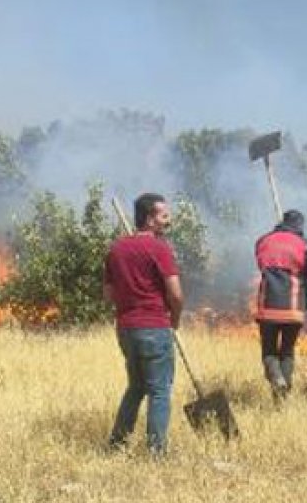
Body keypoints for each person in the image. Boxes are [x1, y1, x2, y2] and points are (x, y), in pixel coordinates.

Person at [103, 192, 184, 456]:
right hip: (154, 327)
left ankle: (116, 444)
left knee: (136, 387)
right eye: (164, 216)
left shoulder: (116, 249)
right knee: (159, 391)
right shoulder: (160, 248)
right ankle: (156, 453)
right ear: (149, 219)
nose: (168, 221)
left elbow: (108, 295)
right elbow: (175, 293)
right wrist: (176, 318)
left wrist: (131, 300)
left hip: (126, 329)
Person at [254, 209, 307, 401]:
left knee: (268, 349)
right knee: (287, 351)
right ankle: (281, 398)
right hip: (294, 306)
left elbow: (261, 265)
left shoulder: (263, 240)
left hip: (268, 304)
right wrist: (304, 300)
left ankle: (276, 378)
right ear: (300, 225)